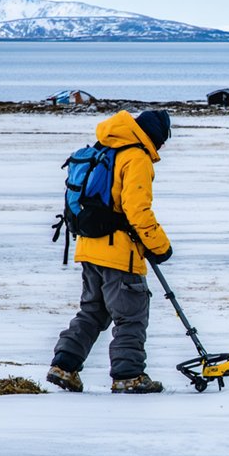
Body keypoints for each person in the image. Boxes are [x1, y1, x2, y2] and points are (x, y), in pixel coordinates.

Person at [47, 110, 173, 394]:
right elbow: (137, 211)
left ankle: (63, 366)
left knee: (92, 311)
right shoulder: (136, 157)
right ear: (156, 137)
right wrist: (160, 246)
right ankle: (128, 376)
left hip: (89, 248)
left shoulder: (104, 149)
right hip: (120, 254)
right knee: (131, 316)